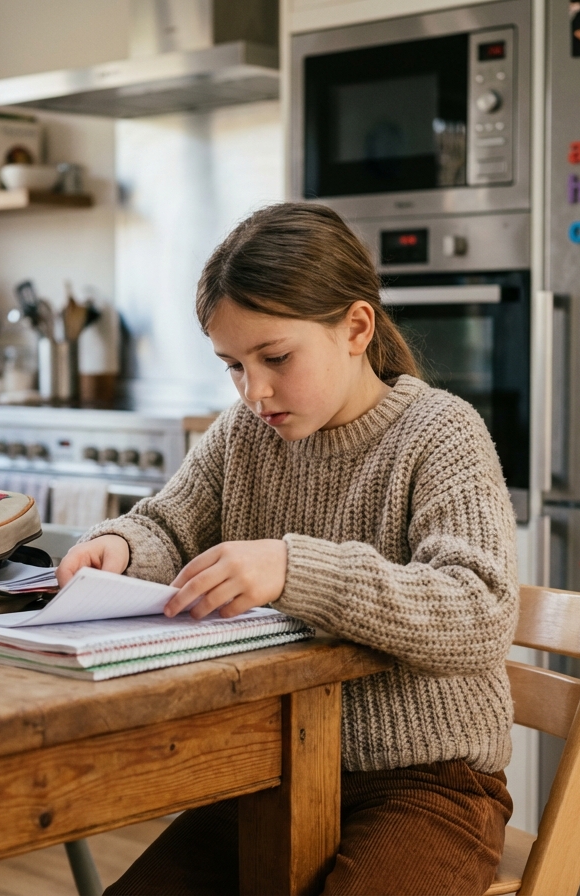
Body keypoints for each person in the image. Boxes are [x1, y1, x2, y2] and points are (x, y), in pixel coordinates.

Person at [56, 202, 519, 895]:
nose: (255, 391)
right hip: (267, 770)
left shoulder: (440, 433)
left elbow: (478, 608)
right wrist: (119, 547)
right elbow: (167, 526)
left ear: (356, 328)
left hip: (427, 785)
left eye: (275, 357)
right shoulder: (243, 434)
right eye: (233, 366)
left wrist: (293, 568)